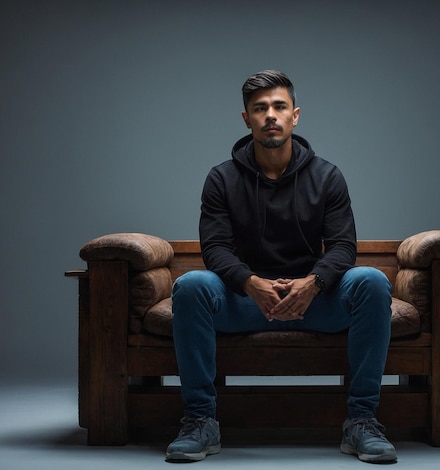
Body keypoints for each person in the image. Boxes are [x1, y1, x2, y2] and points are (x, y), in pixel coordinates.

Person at [166, 70, 396, 464]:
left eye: (279, 106)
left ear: (295, 115)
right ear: (246, 118)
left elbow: (343, 246)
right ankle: (200, 421)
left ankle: (361, 421)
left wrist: (314, 283)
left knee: (371, 281)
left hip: (315, 301)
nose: (270, 115)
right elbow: (216, 248)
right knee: (191, 286)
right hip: (246, 302)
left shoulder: (327, 176)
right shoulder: (221, 178)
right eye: (260, 108)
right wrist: (252, 284)